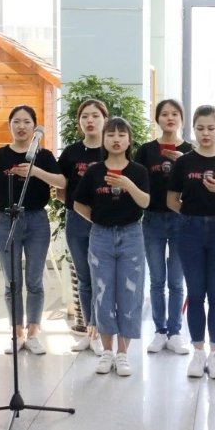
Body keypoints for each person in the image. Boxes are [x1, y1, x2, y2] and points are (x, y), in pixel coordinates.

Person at [0, 105, 66, 355]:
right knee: (12, 281)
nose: (21, 126)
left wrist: (35, 171)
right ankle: (16, 334)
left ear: (34, 126)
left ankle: (34, 333)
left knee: (35, 281)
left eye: (27, 122)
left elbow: (61, 182)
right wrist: (3, 200)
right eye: (16, 121)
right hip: (7, 220)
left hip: (37, 220)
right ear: (9, 125)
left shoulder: (44, 155)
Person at [167, 105, 215, 379]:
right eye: (200, 128)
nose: (205, 133)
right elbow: (171, 200)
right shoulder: (184, 162)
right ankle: (198, 350)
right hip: (190, 229)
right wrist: (192, 215)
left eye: (211, 128)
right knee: (196, 292)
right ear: (193, 129)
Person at [73, 117, 150, 376]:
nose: (116, 139)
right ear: (104, 140)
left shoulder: (138, 171)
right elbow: (78, 203)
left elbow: (145, 202)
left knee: (130, 293)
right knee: (102, 293)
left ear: (129, 140)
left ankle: (123, 353)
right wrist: (98, 221)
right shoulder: (94, 171)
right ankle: (107, 351)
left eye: (121, 134)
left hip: (132, 235)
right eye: (111, 135)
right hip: (101, 236)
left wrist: (127, 184)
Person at [135, 99, 194, 355]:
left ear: (182, 119)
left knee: (177, 281)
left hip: (181, 219)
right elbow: (137, 182)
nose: (170, 118)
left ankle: (175, 331)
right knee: (157, 279)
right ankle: (160, 331)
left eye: (175, 114)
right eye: (165, 114)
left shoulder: (191, 151)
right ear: (157, 119)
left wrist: (183, 162)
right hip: (153, 219)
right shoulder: (146, 150)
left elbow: (196, 186)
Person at [57, 99, 108, 356]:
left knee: (102, 279)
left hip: (104, 222)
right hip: (76, 220)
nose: (90, 120)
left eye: (95, 116)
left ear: (105, 119)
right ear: (79, 122)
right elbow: (60, 189)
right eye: (85, 116)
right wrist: (75, 206)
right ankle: (90, 333)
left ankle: (104, 333)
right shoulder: (71, 153)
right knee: (84, 278)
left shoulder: (112, 150)